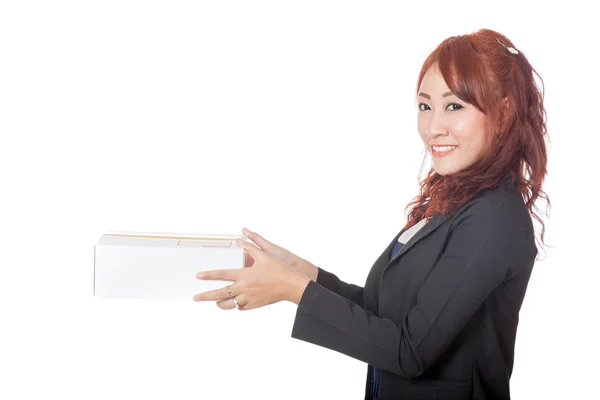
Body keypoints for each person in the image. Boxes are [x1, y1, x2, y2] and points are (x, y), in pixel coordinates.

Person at [193, 28, 550, 400]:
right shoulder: (456, 203)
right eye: (425, 106)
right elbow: (386, 315)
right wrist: (298, 271)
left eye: (454, 106)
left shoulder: (494, 217)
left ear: (505, 112)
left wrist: (291, 289)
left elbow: (410, 351)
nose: (432, 128)